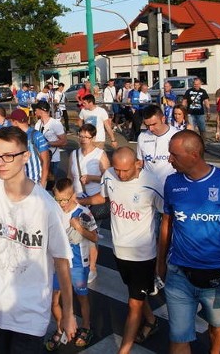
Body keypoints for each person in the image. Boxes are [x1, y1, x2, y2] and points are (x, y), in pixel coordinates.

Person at [0, 127, 76, 353]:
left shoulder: (46, 206)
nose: (1, 162)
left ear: (26, 156)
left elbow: (62, 262)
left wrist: (68, 313)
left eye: (9, 156)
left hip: (31, 314)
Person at [158, 130, 220, 354]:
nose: (169, 159)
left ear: (194, 155)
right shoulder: (172, 183)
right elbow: (167, 222)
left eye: (174, 155)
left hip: (219, 277)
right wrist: (161, 261)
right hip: (179, 275)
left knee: (218, 324)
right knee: (178, 336)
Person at [78, 147, 164, 353]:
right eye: (117, 170)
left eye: (126, 170)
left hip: (143, 255)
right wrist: (81, 201)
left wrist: (163, 257)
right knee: (134, 293)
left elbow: (167, 215)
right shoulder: (109, 175)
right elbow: (103, 197)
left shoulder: (152, 184)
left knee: (134, 305)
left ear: (137, 163)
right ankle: (151, 321)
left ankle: (123, 350)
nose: (121, 175)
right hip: (119, 252)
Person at [46, 178, 98, 350]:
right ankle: (61, 328)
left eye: (65, 200)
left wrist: (78, 227)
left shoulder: (83, 213)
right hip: (56, 265)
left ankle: (86, 327)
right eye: (58, 199)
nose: (62, 204)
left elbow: (95, 237)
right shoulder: (53, 211)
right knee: (54, 300)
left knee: (82, 298)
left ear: (73, 196)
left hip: (77, 265)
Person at [69, 123, 110, 283]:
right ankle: (82, 262)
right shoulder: (74, 154)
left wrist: (91, 178)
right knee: (78, 234)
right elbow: (70, 177)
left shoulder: (100, 154)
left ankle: (92, 267)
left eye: (86, 137)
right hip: (77, 200)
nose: (83, 139)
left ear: (93, 138)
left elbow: (108, 177)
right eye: (80, 136)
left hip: (94, 200)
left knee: (92, 235)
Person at [137, 105, 179, 193]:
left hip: (171, 187)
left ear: (163, 119)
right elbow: (140, 162)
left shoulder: (177, 135)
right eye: (147, 125)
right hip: (148, 188)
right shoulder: (142, 137)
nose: (150, 129)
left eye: (153, 124)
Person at [8, 108, 50, 187]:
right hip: (19, 182)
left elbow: (46, 161)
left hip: (35, 182)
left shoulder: (36, 135)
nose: (10, 124)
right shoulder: (14, 136)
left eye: (11, 122)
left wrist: (43, 182)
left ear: (16, 122)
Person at [33, 101, 67, 187]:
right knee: (40, 184)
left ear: (41, 110)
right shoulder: (38, 124)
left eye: (36, 109)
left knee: (49, 186)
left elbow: (63, 141)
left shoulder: (55, 123)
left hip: (52, 159)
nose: (34, 112)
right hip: (40, 158)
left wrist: (47, 144)